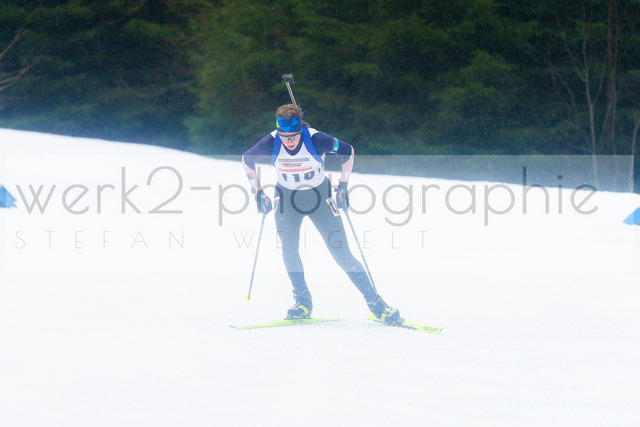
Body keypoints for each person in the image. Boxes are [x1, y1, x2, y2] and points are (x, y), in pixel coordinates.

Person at [241, 104, 401, 324]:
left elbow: (348, 151)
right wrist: (258, 192)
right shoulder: (271, 141)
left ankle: (376, 303)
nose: (289, 141)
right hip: (287, 200)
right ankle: (303, 302)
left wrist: (343, 187)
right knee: (289, 249)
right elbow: (247, 160)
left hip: (320, 198)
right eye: (284, 137)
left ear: (301, 129)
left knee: (341, 252)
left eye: (294, 136)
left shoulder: (317, 139)